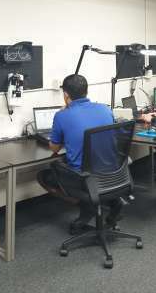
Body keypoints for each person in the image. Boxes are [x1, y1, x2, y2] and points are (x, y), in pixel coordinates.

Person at [35, 74, 118, 234]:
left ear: (66, 95)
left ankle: (88, 208)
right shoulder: (105, 109)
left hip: (83, 178)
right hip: (111, 173)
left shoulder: (62, 115)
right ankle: (109, 203)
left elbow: (54, 148)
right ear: (86, 91)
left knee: (44, 175)